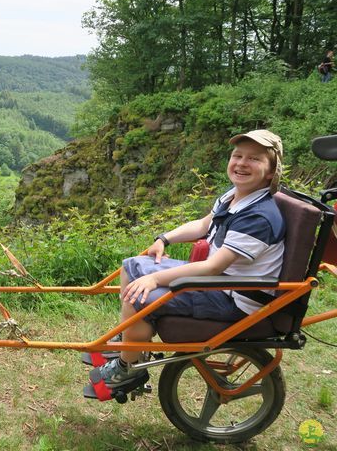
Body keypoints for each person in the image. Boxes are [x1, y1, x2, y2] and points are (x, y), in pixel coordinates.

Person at [93, 129, 285, 392]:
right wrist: (164, 239)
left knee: (135, 297)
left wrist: (155, 278)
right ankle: (134, 341)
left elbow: (213, 266)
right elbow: (204, 224)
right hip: (218, 283)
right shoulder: (234, 196)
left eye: (254, 159)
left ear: (271, 171)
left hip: (234, 296)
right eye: (237, 155)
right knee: (132, 265)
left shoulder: (258, 217)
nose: (241, 163)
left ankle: (128, 369)